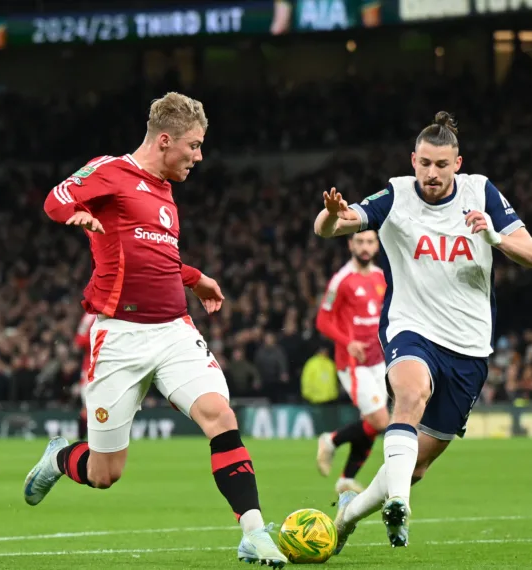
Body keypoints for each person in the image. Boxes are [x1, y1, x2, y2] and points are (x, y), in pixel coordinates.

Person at [23, 92, 288, 568]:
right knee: (105, 473)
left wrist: (195, 276)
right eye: (194, 145)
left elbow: (156, 256)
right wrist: (76, 213)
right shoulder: (109, 169)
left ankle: (253, 532)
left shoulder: (165, 191)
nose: (199, 156)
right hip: (120, 337)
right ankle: (61, 459)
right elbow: (55, 198)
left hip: (174, 331)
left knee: (219, 416)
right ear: (165, 140)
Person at [314, 111, 532, 551]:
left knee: (415, 466)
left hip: (469, 345)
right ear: (412, 160)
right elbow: (331, 227)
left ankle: (349, 514)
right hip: (411, 328)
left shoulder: (481, 191)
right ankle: (398, 503)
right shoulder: (397, 194)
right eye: (424, 164)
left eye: (441, 165)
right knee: (410, 394)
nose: (431, 173)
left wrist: (494, 237)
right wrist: (329, 218)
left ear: (457, 163)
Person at [314, 230, 389, 493]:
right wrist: (348, 342)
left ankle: (346, 479)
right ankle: (331, 440)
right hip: (353, 363)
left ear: (377, 245)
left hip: (379, 360)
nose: (365, 247)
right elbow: (322, 321)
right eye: (359, 242)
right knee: (380, 421)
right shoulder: (341, 280)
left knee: (373, 422)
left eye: (370, 242)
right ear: (350, 245)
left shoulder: (381, 277)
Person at [72, 312, 97, 440]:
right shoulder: (89, 316)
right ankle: (80, 442)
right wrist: (100, 339)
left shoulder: (118, 311)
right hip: (91, 369)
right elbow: (78, 341)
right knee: (88, 407)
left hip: (113, 367)